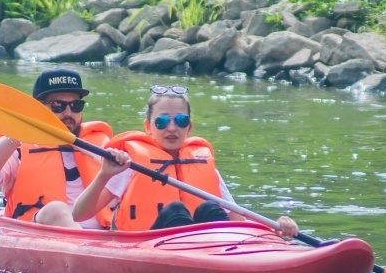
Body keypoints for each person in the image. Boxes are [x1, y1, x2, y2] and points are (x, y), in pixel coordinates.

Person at [72, 84, 299, 237]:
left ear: (189, 127)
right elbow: (79, 215)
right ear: (148, 127)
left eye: (180, 120)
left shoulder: (202, 163)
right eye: (162, 122)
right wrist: (104, 174)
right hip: (149, 249)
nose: (172, 128)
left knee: (210, 208)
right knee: (175, 211)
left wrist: (275, 230)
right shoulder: (131, 165)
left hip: (207, 250)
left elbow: (239, 222)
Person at [0, 67, 114, 229]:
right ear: (38, 109)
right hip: (38, 233)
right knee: (56, 210)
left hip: (103, 237)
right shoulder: (19, 148)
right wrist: (18, 133)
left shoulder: (101, 146)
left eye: (75, 105)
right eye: (58, 105)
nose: (68, 113)